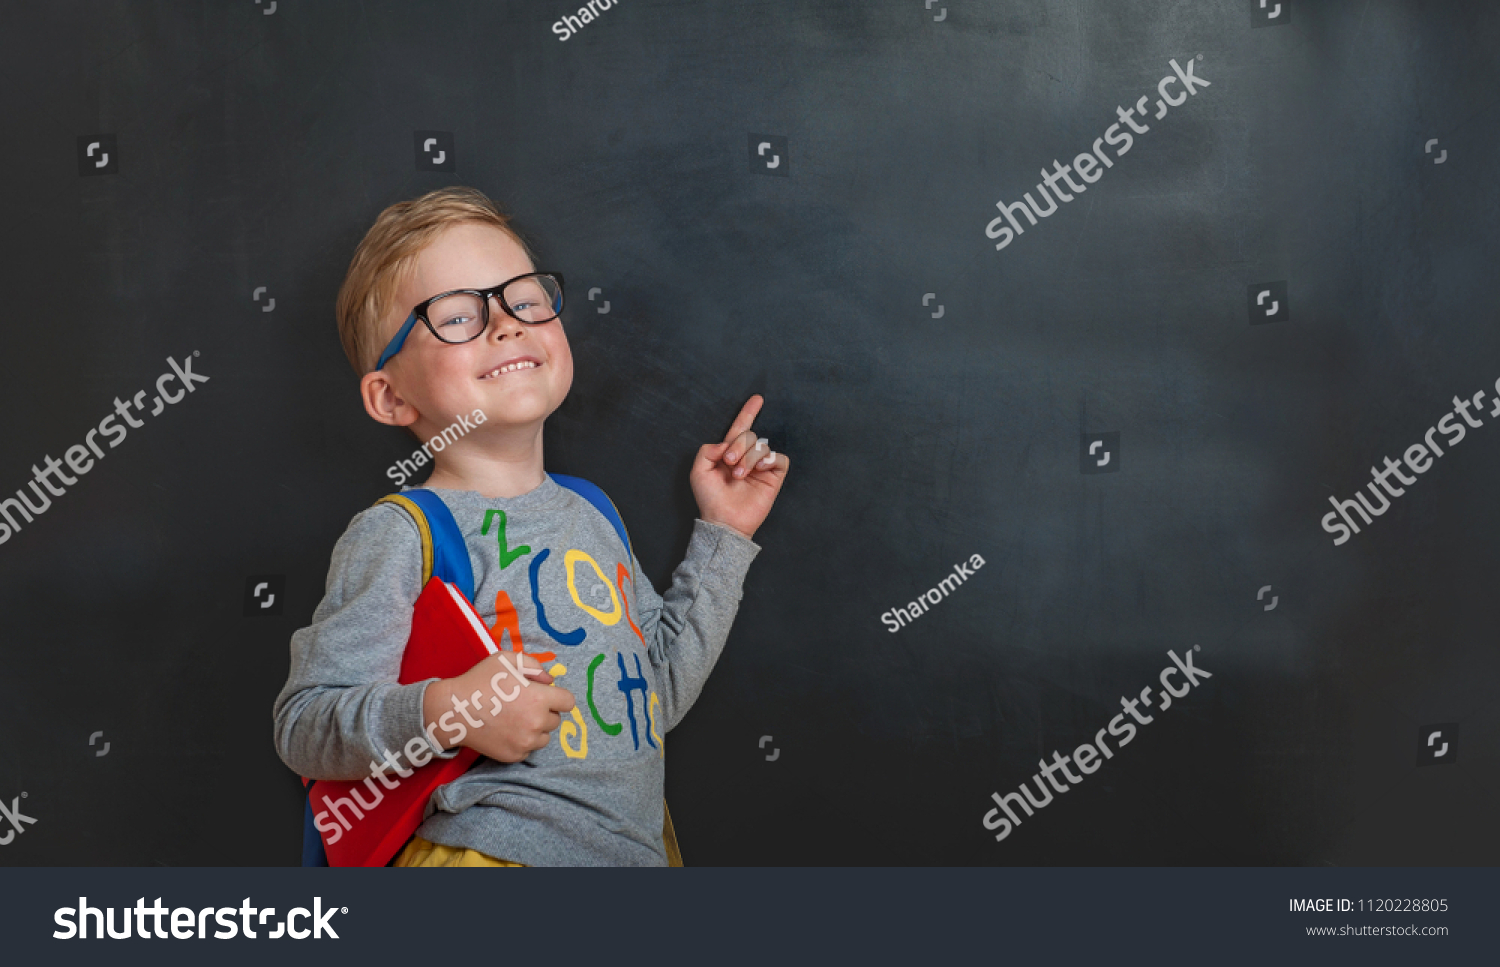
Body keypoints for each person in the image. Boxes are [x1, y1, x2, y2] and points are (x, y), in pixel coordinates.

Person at [272, 186, 787, 866]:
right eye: (457, 314)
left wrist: (724, 533)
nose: (506, 323)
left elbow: (652, 698)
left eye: (526, 297)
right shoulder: (402, 533)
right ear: (391, 395)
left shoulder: (593, 512)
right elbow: (305, 724)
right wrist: (450, 712)